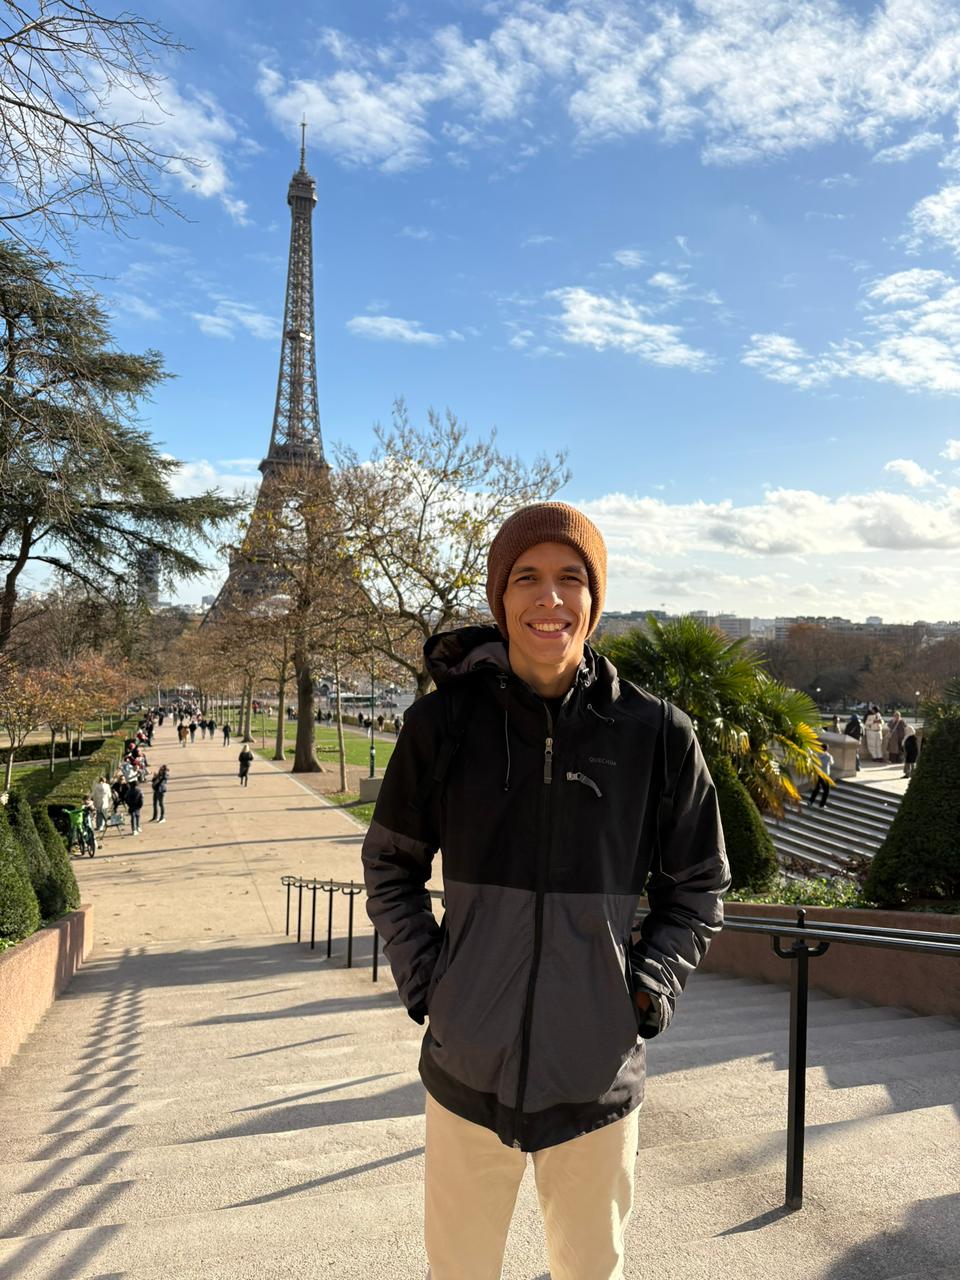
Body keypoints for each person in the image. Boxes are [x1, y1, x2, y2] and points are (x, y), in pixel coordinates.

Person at [362, 502, 730, 1280]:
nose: (549, 599)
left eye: (571, 579)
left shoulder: (659, 735)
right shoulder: (440, 726)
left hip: (595, 1077)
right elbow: (390, 864)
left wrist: (644, 990)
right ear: (500, 598)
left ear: (596, 600)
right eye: (527, 578)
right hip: (467, 1073)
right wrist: (432, 984)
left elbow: (699, 884)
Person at [808, 741, 834, 808]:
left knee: (817, 788)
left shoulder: (816, 755)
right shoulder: (828, 756)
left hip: (818, 774)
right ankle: (822, 804)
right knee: (826, 790)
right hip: (825, 776)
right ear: (826, 749)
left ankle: (811, 801)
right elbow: (832, 763)